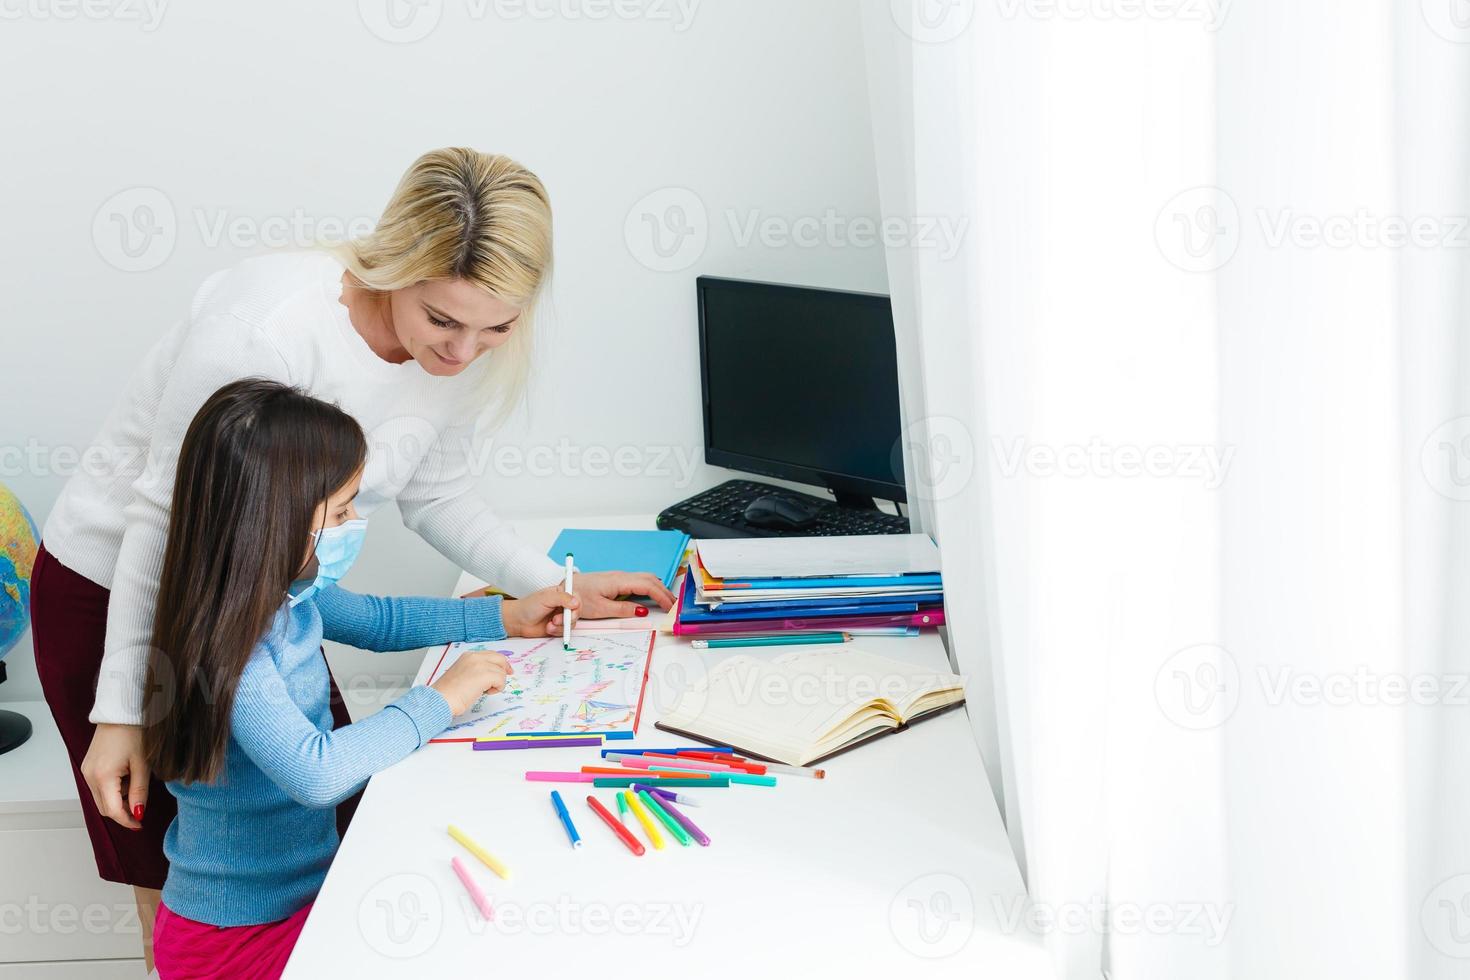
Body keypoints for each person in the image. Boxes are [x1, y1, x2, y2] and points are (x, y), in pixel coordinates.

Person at [29, 147, 675, 970]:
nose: (463, 352)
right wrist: (123, 706)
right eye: (443, 322)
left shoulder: (292, 586)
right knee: (169, 859)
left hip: (261, 586)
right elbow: (164, 516)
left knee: (314, 829)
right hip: (123, 586)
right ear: (399, 266)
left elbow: (435, 500)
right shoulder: (267, 328)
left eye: (497, 329)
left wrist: (557, 589)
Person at [140, 378, 574, 979]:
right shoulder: (228, 644)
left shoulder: (285, 597)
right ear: (274, 517)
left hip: (304, 898)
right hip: (234, 942)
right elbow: (315, 772)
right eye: (341, 510)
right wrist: (440, 700)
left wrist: (505, 615)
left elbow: (378, 619)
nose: (352, 524)